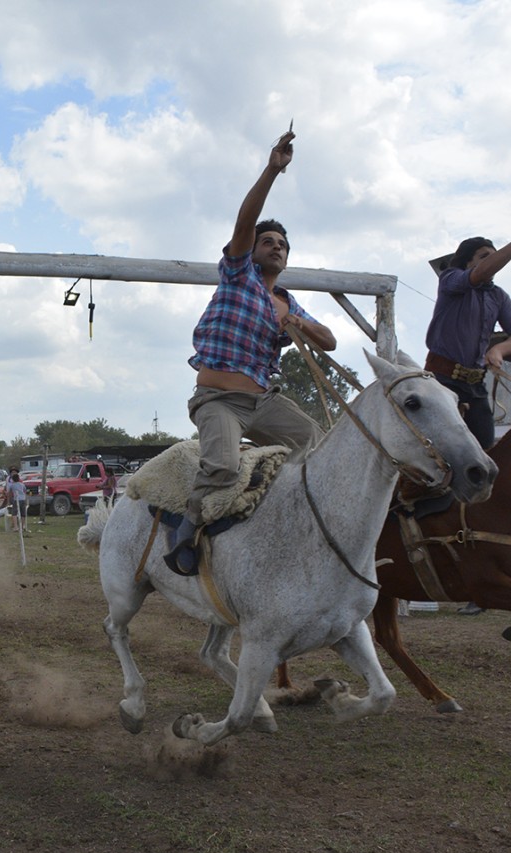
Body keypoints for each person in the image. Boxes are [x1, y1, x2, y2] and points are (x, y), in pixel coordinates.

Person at [166, 127, 337, 577]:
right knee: (221, 465)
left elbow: (330, 341)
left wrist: (301, 323)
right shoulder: (238, 274)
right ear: (253, 249)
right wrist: (272, 170)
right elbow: (245, 221)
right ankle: (186, 531)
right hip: (219, 400)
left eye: (282, 246)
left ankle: (291, 527)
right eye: (269, 242)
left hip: (264, 402)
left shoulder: (287, 302)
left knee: (317, 446)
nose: (275, 248)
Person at [423, 210, 511, 450]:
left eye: (493, 257)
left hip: (475, 385)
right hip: (441, 380)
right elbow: (481, 273)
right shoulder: (451, 277)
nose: (490, 261)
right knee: (439, 450)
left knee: (484, 448)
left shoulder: (498, 296)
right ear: (468, 261)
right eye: (484, 256)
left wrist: (499, 350)